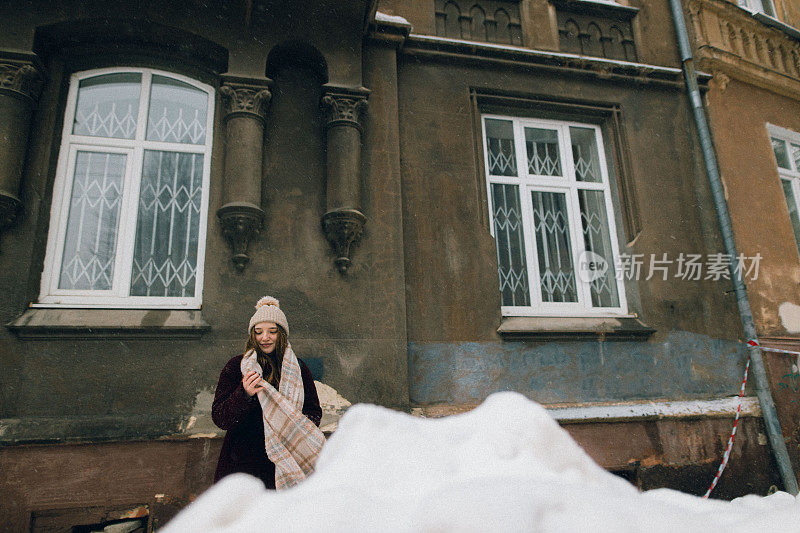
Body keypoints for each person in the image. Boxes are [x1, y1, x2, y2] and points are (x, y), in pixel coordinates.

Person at [212, 296, 324, 489]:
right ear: (252, 335)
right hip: (242, 466)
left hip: (287, 462)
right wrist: (244, 394)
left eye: (272, 331)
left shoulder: (298, 369)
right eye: (258, 332)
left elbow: (314, 411)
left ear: (281, 334)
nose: (265, 337)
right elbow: (220, 417)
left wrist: (293, 426)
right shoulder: (236, 367)